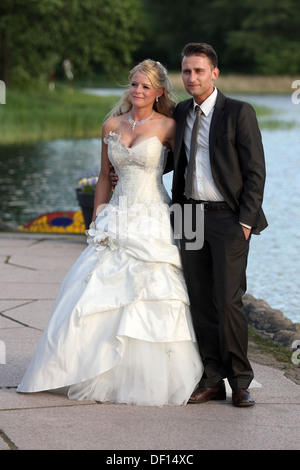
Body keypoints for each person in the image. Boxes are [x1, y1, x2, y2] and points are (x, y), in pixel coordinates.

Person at [17, 59, 203, 406]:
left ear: (159, 91)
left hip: (153, 216)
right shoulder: (111, 125)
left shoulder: (169, 126)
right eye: (133, 84)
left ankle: (155, 375)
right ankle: (83, 365)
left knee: (153, 292)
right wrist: (96, 219)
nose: (137, 91)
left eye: (145, 86)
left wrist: (194, 222)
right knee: (90, 289)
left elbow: (188, 172)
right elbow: (104, 176)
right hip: (115, 215)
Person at [171, 43, 267, 407]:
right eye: (186, 71)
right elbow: (170, 158)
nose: (191, 77)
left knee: (228, 302)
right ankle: (212, 378)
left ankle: (240, 380)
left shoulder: (239, 112)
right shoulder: (181, 112)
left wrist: (245, 221)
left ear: (214, 73)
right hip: (190, 216)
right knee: (200, 301)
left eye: (198, 70)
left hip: (229, 219)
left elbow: (256, 172)